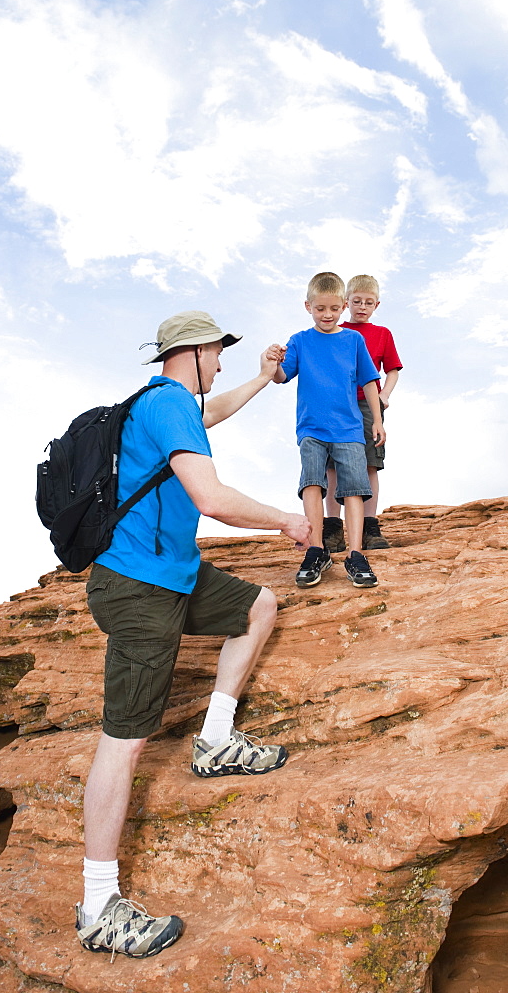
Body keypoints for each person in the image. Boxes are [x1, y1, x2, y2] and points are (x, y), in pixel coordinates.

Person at [75, 311, 311, 961]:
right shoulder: (170, 402)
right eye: (218, 355)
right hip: (140, 589)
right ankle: (98, 907)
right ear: (198, 350)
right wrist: (287, 522)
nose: (221, 365)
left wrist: (265, 379)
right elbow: (210, 498)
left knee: (257, 605)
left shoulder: (156, 405)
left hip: (174, 576)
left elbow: (215, 415)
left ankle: (214, 741)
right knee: (122, 744)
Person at [273, 272, 385, 590]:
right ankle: (316, 550)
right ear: (308, 306)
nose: (327, 315)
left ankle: (355, 554)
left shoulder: (353, 340)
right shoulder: (299, 341)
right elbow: (282, 376)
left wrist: (376, 420)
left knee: (353, 489)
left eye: (334, 308)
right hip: (311, 428)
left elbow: (369, 381)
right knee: (312, 483)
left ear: (343, 306)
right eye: (320, 308)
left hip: (349, 428)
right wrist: (271, 363)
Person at [324, 274, 403, 552]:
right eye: (356, 301)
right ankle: (332, 528)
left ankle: (370, 528)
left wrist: (384, 396)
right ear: (346, 302)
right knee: (333, 465)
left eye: (368, 302)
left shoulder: (382, 334)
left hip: (369, 407)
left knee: (370, 463)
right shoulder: (336, 330)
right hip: (337, 407)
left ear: (376, 305)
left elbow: (392, 369)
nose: (362, 306)